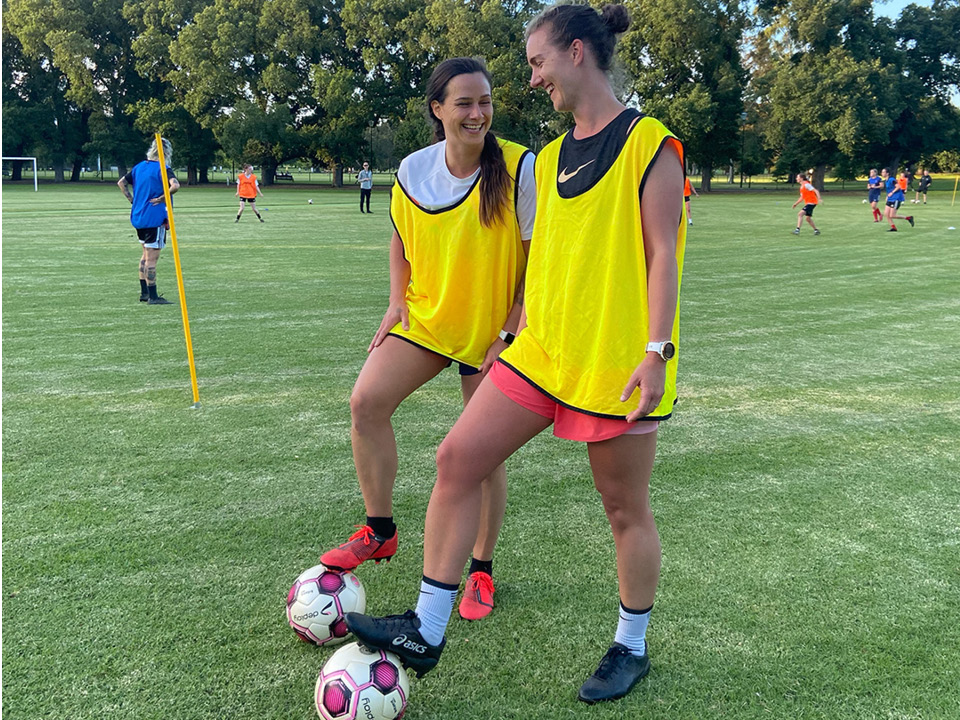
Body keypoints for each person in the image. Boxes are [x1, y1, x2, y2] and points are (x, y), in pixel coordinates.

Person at [346, 3, 686, 705]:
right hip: (540, 353)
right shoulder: (553, 157)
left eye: (537, 62)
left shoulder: (652, 144)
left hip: (614, 361)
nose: (532, 79)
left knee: (624, 508)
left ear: (578, 54)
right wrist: (512, 334)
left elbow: (662, 256)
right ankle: (427, 629)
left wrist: (656, 350)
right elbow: (544, 263)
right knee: (457, 459)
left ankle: (631, 644)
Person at [318, 57, 536, 622]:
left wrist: (512, 328)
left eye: (484, 101)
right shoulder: (413, 170)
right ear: (437, 109)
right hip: (427, 322)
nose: (478, 113)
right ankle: (379, 529)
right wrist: (396, 301)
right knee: (365, 403)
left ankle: (481, 571)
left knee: (481, 455)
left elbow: (538, 263)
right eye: (463, 103)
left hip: (490, 333)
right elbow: (400, 238)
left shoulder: (518, 167)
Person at [117, 137, 180, 305]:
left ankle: (144, 292)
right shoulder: (164, 168)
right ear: (166, 152)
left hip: (139, 217)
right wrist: (161, 198)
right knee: (152, 258)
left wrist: (132, 199)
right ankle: (153, 295)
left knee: (145, 255)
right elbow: (175, 186)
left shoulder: (139, 167)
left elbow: (121, 182)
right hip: (155, 217)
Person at [882, 167, 913, 232]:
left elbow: (898, 187)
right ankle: (893, 228)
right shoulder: (886, 180)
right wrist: (888, 196)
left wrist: (892, 193)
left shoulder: (891, 179)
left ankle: (908, 218)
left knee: (892, 215)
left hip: (896, 198)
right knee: (886, 214)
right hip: (890, 198)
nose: (882, 173)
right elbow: (889, 189)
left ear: (887, 173)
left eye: (883, 172)